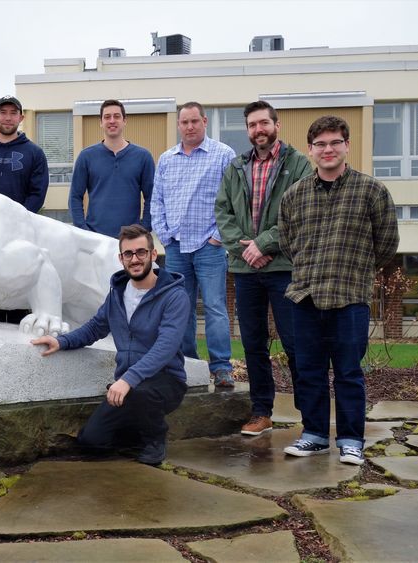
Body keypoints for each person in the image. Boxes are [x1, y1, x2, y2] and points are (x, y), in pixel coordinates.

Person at [279, 115, 398, 465]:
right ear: (310, 150)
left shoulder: (371, 191)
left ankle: (350, 440)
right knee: (309, 371)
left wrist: (356, 267)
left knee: (348, 372)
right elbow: (288, 244)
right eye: (320, 144)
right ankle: (314, 435)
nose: (327, 150)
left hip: (349, 298)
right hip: (305, 297)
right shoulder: (295, 195)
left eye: (334, 143)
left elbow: (387, 243)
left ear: (346, 146)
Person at [32, 225, 189, 465]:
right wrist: (61, 341)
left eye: (141, 252)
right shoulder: (117, 293)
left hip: (165, 381)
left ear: (153, 255)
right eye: (128, 254)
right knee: (92, 441)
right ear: (121, 258)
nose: (134, 259)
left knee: (143, 393)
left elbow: (165, 348)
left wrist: (127, 380)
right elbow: (95, 328)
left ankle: (155, 438)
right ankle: (137, 430)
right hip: (129, 384)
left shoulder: (174, 296)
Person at [214, 101, 313, 435]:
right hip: (246, 271)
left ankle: (310, 414)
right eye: (252, 125)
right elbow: (223, 213)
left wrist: (264, 245)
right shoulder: (237, 166)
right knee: (253, 343)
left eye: (264, 123)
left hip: (284, 267)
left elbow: (301, 213)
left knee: (295, 341)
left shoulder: (298, 164)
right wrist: (246, 249)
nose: (259, 130)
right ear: (248, 130)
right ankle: (261, 411)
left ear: (276, 125)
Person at [151, 101, 236, 387]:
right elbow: (156, 201)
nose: (189, 127)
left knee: (214, 307)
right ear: (178, 125)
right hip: (175, 247)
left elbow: (236, 201)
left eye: (194, 122)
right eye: (184, 122)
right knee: (180, 308)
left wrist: (218, 237)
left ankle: (221, 366)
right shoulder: (166, 159)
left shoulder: (223, 155)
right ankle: (189, 363)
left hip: (208, 246)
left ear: (204, 122)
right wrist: (164, 235)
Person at [69, 100, 155, 238]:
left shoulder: (143, 157)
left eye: (117, 116)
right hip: (95, 239)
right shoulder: (86, 156)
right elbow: (75, 197)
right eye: (107, 117)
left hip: (131, 241)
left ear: (125, 120)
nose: (112, 120)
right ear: (101, 122)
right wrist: (83, 231)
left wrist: (144, 229)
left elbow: (152, 197)